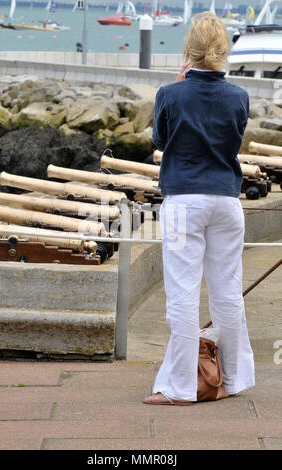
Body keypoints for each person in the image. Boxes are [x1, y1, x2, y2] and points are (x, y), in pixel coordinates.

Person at [143, 12, 255, 406]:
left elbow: (159, 139)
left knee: (183, 294)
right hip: (226, 200)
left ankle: (179, 386)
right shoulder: (240, 97)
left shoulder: (170, 94)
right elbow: (234, 141)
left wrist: (176, 86)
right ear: (224, 52)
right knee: (228, 292)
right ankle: (237, 378)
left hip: (183, 202)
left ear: (188, 52)